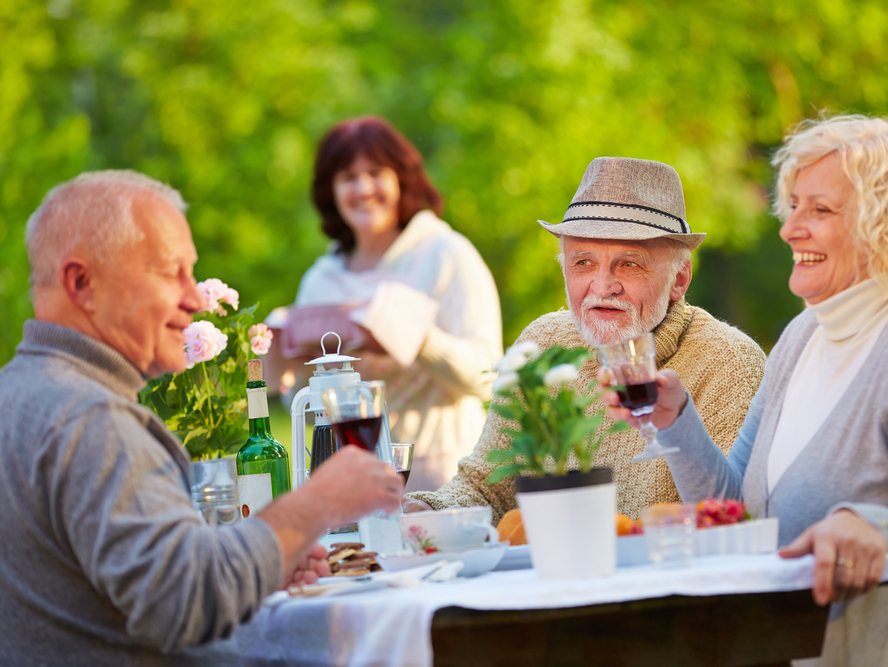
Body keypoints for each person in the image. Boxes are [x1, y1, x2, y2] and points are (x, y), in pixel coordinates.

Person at [604, 116, 888, 664]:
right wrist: (676, 421)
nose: (790, 229)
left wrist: (870, 527)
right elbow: (740, 511)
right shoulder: (805, 333)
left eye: (820, 210)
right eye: (792, 207)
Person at [0, 171, 404, 666]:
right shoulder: (90, 417)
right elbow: (182, 603)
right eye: (171, 273)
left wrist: (262, 557)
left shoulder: (17, 395)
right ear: (82, 283)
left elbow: (129, 580)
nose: (194, 299)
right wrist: (316, 503)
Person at [404, 157, 766, 521]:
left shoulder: (729, 361)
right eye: (583, 263)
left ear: (680, 279)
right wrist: (423, 509)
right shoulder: (543, 342)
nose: (603, 286)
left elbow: (734, 514)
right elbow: (486, 488)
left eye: (629, 263)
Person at [282, 116, 503, 492]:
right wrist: (288, 364)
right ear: (331, 190)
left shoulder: (445, 254)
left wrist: (417, 338)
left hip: (447, 479)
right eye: (348, 177)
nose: (363, 188)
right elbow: (302, 406)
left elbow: (489, 377)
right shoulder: (320, 280)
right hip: (352, 486)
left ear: (402, 178)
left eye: (376, 172)